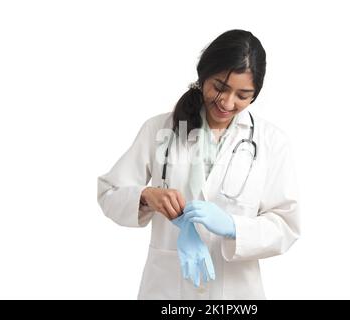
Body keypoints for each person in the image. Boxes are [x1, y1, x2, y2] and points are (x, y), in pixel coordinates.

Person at [97, 29, 300, 300]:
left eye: (243, 95)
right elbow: (108, 191)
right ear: (203, 77)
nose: (227, 103)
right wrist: (146, 197)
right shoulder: (159, 129)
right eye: (219, 87)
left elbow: (286, 225)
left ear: (255, 95)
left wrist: (233, 226)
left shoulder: (271, 142)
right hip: (167, 290)